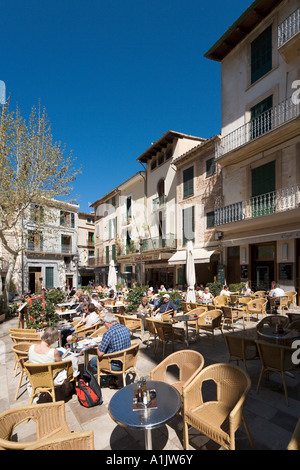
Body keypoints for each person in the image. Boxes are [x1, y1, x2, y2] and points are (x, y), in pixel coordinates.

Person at [28, 327, 76, 395]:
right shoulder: (53, 352)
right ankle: (68, 388)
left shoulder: (31, 347)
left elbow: (30, 360)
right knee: (68, 366)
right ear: (54, 339)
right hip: (50, 379)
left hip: (34, 378)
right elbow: (62, 365)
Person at [89, 313, 131, 386]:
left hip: (116, 365)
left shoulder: (109, 333)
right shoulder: (125, 328)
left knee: (93, 361)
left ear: (107, 323)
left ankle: (110, 379)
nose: (104, 326)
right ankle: (111, 377)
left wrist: (99, 346)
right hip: (128, 361)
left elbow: (100, 353)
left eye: (104, 324)